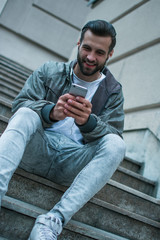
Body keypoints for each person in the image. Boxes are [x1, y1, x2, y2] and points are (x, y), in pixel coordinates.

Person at [0, 20, 126, 239]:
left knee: (117, 145)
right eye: (87, 48)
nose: (90, 57)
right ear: (78, 43)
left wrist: (88, 122)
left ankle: (52, 221)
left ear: (110, 54)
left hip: (73, 163)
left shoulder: (113, 90)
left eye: (99, 52)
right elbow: (20, 104)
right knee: (26, 114)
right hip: (37, 149)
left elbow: (114, 134)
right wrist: (51, 112)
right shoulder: (50, 71)